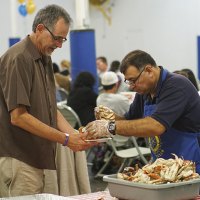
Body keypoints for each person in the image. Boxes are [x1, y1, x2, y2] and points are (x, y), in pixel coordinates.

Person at [0, 4, 96, 197]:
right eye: (57, 38)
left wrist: (75, 134)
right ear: (40, 28)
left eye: (63, 39)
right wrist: (66, 139)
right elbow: (19, 117)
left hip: (36, 155)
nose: (59, 45)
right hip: (18, 155)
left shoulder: (43, 57)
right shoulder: (20, 58)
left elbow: (51, 107)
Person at [85, 49, 200, 173]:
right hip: (163, 165)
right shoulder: (144, 91)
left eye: (133, 80)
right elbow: (129, 122)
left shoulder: (176, 86)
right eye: (128, 81)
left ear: (149, 70)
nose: (131, 86)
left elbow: (156, 126)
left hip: (189, 165)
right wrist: (109, 117)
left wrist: (110, 126)